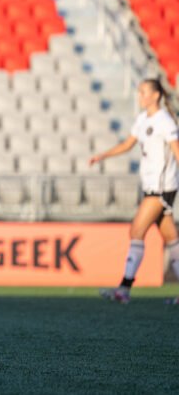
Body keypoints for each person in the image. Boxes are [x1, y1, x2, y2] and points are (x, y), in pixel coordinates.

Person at [89, 78, 179, 303]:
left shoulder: (165, 121)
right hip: (151, 187)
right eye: (139, 92)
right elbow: (128, 144)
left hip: (161, 188)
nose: (139, 96)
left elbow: (177, 151)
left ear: (156, 95)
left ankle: (124, 290)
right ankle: (124, 290)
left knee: (136, 231)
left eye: (143, 92)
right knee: (172, 239)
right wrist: (103, 155)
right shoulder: (142, 119)